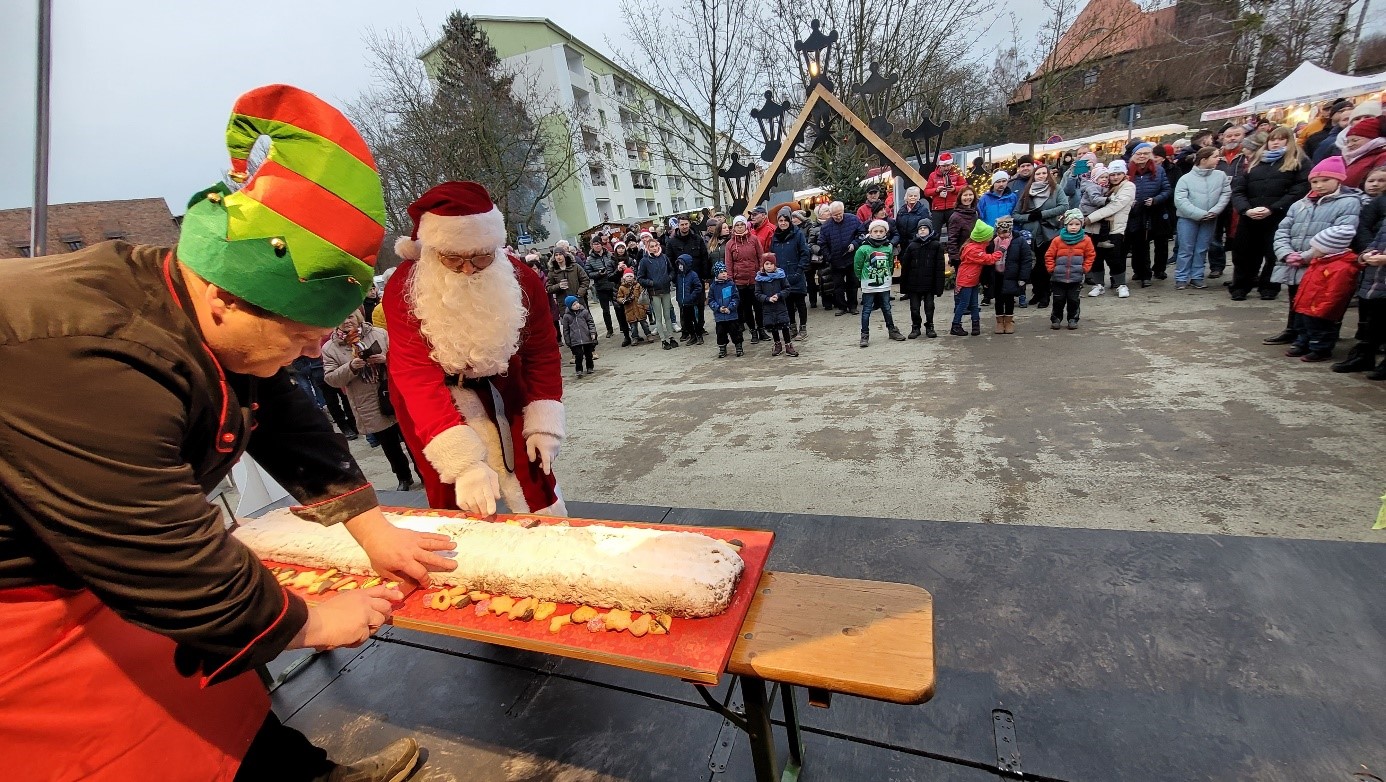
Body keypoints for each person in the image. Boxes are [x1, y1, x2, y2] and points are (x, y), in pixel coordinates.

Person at [0, 84, 450, 782]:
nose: (309, 353)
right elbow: (159, 546)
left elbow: (284, 413)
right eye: (297, 336)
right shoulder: (89, 354)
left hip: (100, 564)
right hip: (28, 602)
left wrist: (372, 528)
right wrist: (306, 623)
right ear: (222, 296)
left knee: (223, 711)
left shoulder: (212, 314)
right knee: (124, 753)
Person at [386, 181, 569, 517]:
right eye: (453, 259)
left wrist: (544, 420)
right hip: (436, 399)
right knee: (458, 492)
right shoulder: (403, 287)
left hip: (505, 386)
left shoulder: (522, 279)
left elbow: (541, 351)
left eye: (481, 257)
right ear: (433, 250)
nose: (468, 268)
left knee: (532, 480)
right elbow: (414, 374)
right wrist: (462, 461)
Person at [1263, 155, 1362, 346]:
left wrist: (1306, 256)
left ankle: (1316, 337)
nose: (1319, 185)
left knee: (1318, 301)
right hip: (1294, 260)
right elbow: (1283, 230)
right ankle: (1293, 330)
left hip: (1323, 263)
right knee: (1296, 297)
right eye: (1315, 181)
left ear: (1339, 180)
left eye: (1325, 180)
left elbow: (1341, 233)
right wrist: (1286, 253)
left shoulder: (1348, 202)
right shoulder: (1300, 204)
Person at [323, 312, 421, 491]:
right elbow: (331, 379)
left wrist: (386, 359)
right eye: (341, 318)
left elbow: (402, 357)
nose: (346, 321)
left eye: (350, 316)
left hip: (393, 393)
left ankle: (422, 473)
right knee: (389, 445)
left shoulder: (379, 333)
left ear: (358, 317)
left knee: (412, 439)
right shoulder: (330, 348)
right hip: (367, 401)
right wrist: (351, 367)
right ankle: (403, 477)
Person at [1230, 126, 1310, 302]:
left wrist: (1273, 208)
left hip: (1278, 215)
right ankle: (1241, 286)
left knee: (1273, 253)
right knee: (1244, 253)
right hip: (1251, 215)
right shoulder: (1255, 161)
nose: (1275, 142)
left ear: (1289, 141)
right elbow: (1239, 189)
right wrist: (1245, 209)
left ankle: (1269, 286)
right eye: (1272, 139)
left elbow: (1299, 189)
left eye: (1280, 139)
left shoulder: (1298, 161)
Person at [1285, 225, 1361, 362]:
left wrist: (1324, 308)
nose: (1312, 251)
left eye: (1316, 248)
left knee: (1320, 329)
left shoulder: (1342, 268)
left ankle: (1320, 350)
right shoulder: (1319, 262)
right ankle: (1303, 343)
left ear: (1328, 249)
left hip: (1320, 307)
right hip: (1307, 303)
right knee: (1303, 325)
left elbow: (1336, 292)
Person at [1172, 146, 1233, 289]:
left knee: (1202, 248)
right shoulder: (1185, 179)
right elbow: (1180, 200)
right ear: (1204, 159)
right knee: (1186, 248)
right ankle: (1181, 277)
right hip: (1187, 219)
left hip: (1210, 218)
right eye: (1215, 156)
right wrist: (1199, 214)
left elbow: (1225, 194)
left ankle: (1197, 276)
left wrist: (1215, 211)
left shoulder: (1220, 176)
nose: (1218, 159)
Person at [1013, 163, 1066, 309]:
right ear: (1034, 176)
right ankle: (1037, 292)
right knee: (1033, 266)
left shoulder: (1056, 189)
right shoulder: (1027, 192)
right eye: (1038, 174)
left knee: (1044, 265)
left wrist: (1042, 214)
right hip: (1031, 234)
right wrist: (1029, 217)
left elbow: (1063, 206)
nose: (1041, 176)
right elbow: (1016, 214)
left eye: (1044, 173)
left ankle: (1045, 294)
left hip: (1049, 233)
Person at [1339, 224, 1386, 377]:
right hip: (1377, 280)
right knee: (1374, 322)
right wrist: (1366, 255)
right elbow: (1376, 242)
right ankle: (1365, 357)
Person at [1124, 142, 1173, 288]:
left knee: (1147, 244)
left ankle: (1149, 274)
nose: (1142, 156)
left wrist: (1156, 200)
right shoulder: (1126, 170)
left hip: (1152, 212)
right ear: (1133, 156)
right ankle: (1138, 271)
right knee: (1134, 244)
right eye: (1139, 154)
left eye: (1145, 153)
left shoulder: (1158, 170)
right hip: (1132, 213)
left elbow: (1167, 190)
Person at [1085, 160, 1136, 298]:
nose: (1115, 177)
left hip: (1114, 228)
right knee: (1096, 257)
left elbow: (1114, 206)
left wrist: (1089, 218)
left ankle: (1121, 284)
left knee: (1115, 258)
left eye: (1119, 174)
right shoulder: (1104, 186)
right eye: (1112, 174)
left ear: (1124, 174)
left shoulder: (1128, 186)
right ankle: (1099, 284)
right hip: (1097, 228)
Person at [854, 219, 907, 346]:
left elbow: (890, 263)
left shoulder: (888, 247)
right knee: (867, 309)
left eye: (881, 231)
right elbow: (857, 265)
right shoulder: (863, 248)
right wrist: (862, 278)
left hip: (884, 283)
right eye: (875, 231)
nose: (878, 234)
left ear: (885, 232)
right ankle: (864, 334)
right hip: (869, 284)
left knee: (887, 307)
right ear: (870, 232)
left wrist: (888, 275)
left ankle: (892, 330)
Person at [1209, 123, 1251, 278]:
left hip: (1239, 200)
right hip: (1217, 199)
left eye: (1236, 135)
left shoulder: (1248, 155)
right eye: (1229, 136)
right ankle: (1216, 266)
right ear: (1222, 138)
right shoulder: (1215, 156)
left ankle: (1239, 270)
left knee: (1237, 236)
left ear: (1244, 136)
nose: (1232, 138)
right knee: (1214, 235)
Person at [1046, 210, 1097, 329]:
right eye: (1071, 224)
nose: (1074, 227)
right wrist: (1051, 269)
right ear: (1066, 225)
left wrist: (1085, 268)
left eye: (1077, 224)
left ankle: (1073, 319)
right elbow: (1049, 255)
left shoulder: (1086, 240)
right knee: (1058, 299)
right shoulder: (1057, 240)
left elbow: (1090, 255)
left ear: (1081, 225)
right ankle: (1056, 318)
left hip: (1076, 277)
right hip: (1058, 277)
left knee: (1073, 300)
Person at [952, 220, 1001, 336]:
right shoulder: (972, 249)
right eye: (989, 236)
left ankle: (975, 325)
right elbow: (988, 259)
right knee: (963, 304)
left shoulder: (978, 246)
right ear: (982, 238)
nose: (991, 238)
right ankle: (955, 325)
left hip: (973, 280)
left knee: (974, 304)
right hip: (966, 281)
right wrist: (1001, 251)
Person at [899, 220, 945, 338]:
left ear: (930, 230)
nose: (922, 230)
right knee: (914, 308)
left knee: (929, 307)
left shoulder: (936, 245)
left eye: (925, 228)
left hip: (929, 284)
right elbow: (905, 267)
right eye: (920, 228)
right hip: (914, 284)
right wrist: (904, 286)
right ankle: (915, 327)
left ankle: (930, 325)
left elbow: (940, 267)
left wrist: (939, 287)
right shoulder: (912, 246)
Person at [988, 215, 1034, 334]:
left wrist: (1023, 277)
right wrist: (985, 279)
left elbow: (1026, 259)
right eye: (1000, 232)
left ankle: (1008, 321)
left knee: (1009, 299)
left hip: (1012, 275)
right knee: (998, 299)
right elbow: (986, 260)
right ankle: (999, 322)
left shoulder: (1019, 241)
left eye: (1006, 232)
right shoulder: (992, 242)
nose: (1003, 235)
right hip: (996, 275)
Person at [771, 207, 812, 339]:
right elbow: (773, 256)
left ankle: (803, 328)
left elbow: (805, 253)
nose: (783, 223)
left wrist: (799, 270)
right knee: (788, 304)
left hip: (796, 273)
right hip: (782, 275)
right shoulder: (775, 237)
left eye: (785, 220)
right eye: (780, 220)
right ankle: (792, 326)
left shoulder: (797, 234)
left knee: (800, 303)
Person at [819, 201, 864, 315]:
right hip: (835, 260)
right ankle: (841, 307)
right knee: (838, 285)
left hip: (851, 258)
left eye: (840, 213)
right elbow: (822, 243)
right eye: (835, 215)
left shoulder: (853, 219)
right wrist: (829, 257)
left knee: (853, 283)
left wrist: (854, 244)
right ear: (831, 214)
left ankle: (853, 306)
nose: (838, 216)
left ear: (843, 211)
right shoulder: (826, 226)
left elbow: (862, 233)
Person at [726, 215, 767, 340]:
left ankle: (761, 329)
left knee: (758, 307)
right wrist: (730, 280)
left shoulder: (754, 239)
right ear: (734, 227)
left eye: (742, 225)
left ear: (746, 226)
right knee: (746, 308)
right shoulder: (730, 244)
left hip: (755, 279)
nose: (740, 227)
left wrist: (761, 271)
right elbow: (729, 263)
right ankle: (753, 331)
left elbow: (761, 256)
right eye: (737, 225)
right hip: (740, 282)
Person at [636, 238, 678, 349]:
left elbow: (672, 270)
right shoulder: (644, 261)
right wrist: (651, 283)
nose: (654, 248)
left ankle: (671, 337)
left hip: (666, 290)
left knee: (668, 316)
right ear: (647, 248)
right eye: (652, 246)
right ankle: (663, 340)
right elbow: (640, 278)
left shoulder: (664, 257)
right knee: (658, 317)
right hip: (654, 292)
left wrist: (669, 278)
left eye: (656, 246)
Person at [755, 253, 797, 356]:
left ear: (775, 265)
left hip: (780, 306)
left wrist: (779, 295)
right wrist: (767, 298)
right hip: (768, 307)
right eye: (766, 264)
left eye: (771, 264)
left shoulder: (780, 276)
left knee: (784, 325)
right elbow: (757, 294)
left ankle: (788, 345)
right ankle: (777, 344)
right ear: (763, 265)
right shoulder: (759, 279)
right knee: (773, 326)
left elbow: (787, 288)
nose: (769, 266)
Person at [582, 236, 619, 338]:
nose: (597, 246)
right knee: (605, 310)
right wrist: (598, 274)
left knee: (618, 307)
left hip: (612, 284)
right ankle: (609, 329)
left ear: (601, 245)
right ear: (592, 246)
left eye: (598, 244)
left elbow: (615, 266)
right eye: (595, 244)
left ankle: (623, 326)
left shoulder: (609, 255)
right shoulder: (589, 259)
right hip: (601, 286)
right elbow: (588, 273)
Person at [926, 152, 967, 238]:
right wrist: (936, 190)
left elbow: (965, 187)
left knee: (953, 234)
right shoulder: (933, 175)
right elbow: (926, 191)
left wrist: (955, 189)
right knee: (935, 234)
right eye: (944, 166)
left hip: (952, 207)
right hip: (937, 209)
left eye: (948, 165)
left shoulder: (957, 173)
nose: (946, 168)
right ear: (940, 165)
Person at [708, 262, 744, 358]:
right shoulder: (713, 286)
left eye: (725, 271)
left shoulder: (731, 284)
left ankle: (739, 347)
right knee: (720, 333)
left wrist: (730, 308)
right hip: (719, 317)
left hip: (731, 315)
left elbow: (736, 298)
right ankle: (722, 348)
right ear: (716, 274)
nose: (724, 273)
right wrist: (718, 308)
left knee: (735, 332)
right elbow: (710, 300)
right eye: (721, 272)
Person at [1341, 116, 1386, 189]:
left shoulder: (1382, 156)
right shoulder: (1351, 158)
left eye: (1355, 140)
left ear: (1373, 139)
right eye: (1347, 142)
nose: (1349, 145)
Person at [560, 295, 598, 377]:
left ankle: (590, 367)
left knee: (588, 354)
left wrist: (592, 333)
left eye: (577, 303)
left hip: (586, 337)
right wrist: (568, 340)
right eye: (574, 304)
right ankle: (579, 369)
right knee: (578, 355)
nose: (577, 305)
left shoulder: (584, 312)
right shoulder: (566, 316)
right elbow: (566, 330)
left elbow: (590, 323)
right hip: (575, 340)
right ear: (570, 306)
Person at [675, 253, 705, 345]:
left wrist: (691, 297)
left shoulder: (693, 275)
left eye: (682, 264)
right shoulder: (679, 276)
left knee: (696, 320)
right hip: (684, 303)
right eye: (679, 264)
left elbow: (698, 287)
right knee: (687, 322)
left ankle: (699, 335)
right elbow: (678, 288)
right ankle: (692, 336)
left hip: (693, 303)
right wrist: (679, 299)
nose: (680, 266)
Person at [616, 270, 653, 344]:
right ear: (624, 278)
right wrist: (624, 300)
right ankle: (635, 337)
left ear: (633, 277)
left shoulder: (638, 285)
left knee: (644, 324)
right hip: (630, 310)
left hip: (640, 309)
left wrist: (645, 307)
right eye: (627, 276)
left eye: (631, 276)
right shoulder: (622, 288)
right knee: (633, 326)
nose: (629, 278)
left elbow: (643, 297)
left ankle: (648, 335)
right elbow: (619, 297)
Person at [947, 188, 980, 267]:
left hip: (975, 253)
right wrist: (954, 257)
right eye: (965, 195)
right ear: (960, 198)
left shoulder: (975, 213)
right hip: (962, 256)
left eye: (970, 195)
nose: (968, 197)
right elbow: (952, 239)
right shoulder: (955, 217)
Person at [895, 186, 931, 251]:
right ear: (906, 197)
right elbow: (897, 226)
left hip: (917, 244)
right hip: (903, 244)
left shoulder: (923, 210)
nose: (913, 198)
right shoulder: (901, 210)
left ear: (918, 197)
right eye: (910, 196)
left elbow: (926, 228)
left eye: (915, 196)